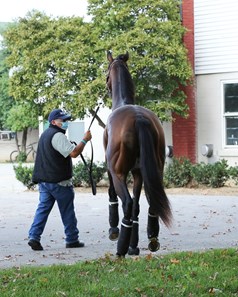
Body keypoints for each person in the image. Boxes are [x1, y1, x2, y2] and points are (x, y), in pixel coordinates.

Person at [28, 108, 92, 251]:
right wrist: (84, 140)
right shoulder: (57, 136)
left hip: (44, 182)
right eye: (63, 121)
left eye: (67, 120)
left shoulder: (45, 134)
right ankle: (72, 239)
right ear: (53, 122)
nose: (66, 123)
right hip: (59, 182)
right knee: (68, 211)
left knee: (42, 210)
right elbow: (74, 153)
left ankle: (34, 236)